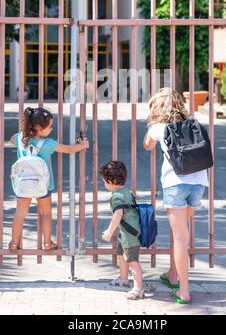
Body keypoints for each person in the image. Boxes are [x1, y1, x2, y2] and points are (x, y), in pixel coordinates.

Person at [144, 88, 209, 304]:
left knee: (180, 237)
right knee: (181, 233)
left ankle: (184, 291)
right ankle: (173, 275)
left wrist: (151, 122)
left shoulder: (159, 127)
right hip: (198, 183)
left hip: (175, 185)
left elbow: (147, 145)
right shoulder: (192, 121)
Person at [9, 107, 89, 251]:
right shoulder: (48, 144)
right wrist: (82, 145)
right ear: (39, 128)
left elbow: (11, 140)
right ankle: (47, 243)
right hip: (43, 186)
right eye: (50, 126)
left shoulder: (20, 138)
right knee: (45, 214)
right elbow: (69, 149)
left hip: (23, 185)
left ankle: (14, 243)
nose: (52, 129)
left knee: (19, 214)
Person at [100, 160, 144, 300]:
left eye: (105, 181)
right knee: (121, 254)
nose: (104, 184)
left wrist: (109, 231)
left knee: (132, 260)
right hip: (127, 234)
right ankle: (124, 279)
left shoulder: (117, 197)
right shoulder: (126, 191)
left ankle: (138, 289)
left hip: (129, 235)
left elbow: (118, 215)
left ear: (111, 181)